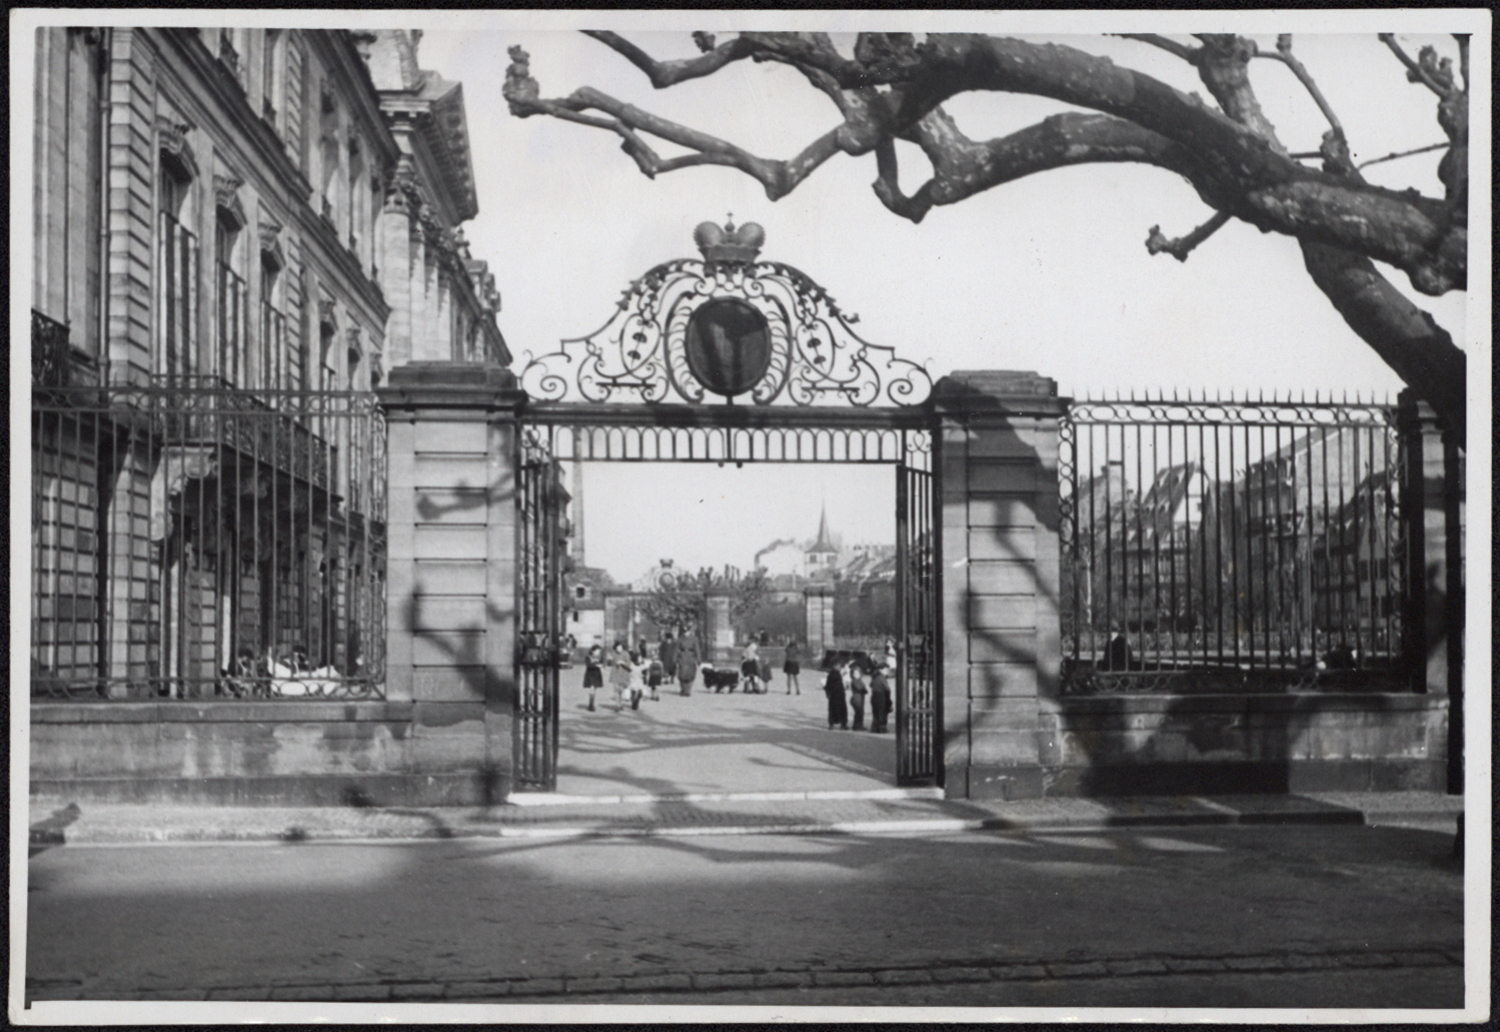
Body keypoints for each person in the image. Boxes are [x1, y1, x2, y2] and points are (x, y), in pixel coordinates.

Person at [823, 661, 849, 730]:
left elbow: (827, 686)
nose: (840, 668)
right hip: (839, 695)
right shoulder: (836, 675)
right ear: (835, 666)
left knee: (832, 710)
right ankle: (843, 724)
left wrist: (828, 694)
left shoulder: (831, 674)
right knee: (842, 710)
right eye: (839, 666)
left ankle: (831, 724)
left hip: (833, 695)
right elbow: (838, 686)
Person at [868, 663, 892, 733]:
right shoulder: (881, 677)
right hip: (881, 696)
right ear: (880, 669)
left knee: (875, 712)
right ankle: (882, 728)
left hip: (874, 696)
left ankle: (874, 727)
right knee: (882, 712)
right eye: (886, 669)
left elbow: (871, 685)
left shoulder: (875, 676)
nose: (887, 671)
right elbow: (887, 689)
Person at [609, 641, 631, 712]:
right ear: (615, 648)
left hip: (624, 673)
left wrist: (622, 662)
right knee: (616, 690)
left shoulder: (626, 654)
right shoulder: (614, 654)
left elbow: (629, 664)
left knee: (621, 690)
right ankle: (617, 705)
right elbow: (611, 663)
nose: (619, 648)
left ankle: (621, 703)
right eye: (618, 647)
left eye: (620, 647)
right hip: (615, 673)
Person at [583, 642, 604, 711]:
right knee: (592, 689)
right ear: (593, 651)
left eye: (599, 651)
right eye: (597, 651)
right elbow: (588, 665)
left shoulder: (600, 657)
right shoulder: (588, 657)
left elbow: (602, 664)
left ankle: (591, 703)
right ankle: (591, 705)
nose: (598, 653)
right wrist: (596, 665)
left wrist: (601, 665)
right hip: (590, 674)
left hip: (597, 674)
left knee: (594, 689)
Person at [848, 660, 868, 731]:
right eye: (854, 673)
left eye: (857, 673)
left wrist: (864, 690)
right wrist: (864, 689)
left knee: (860, 712)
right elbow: (859, 688)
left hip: (860, 697)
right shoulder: (854, 681)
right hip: (856, 698)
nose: (856, 675)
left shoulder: (859, 680)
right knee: (858, 712)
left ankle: (859, 725)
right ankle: (857, 725)